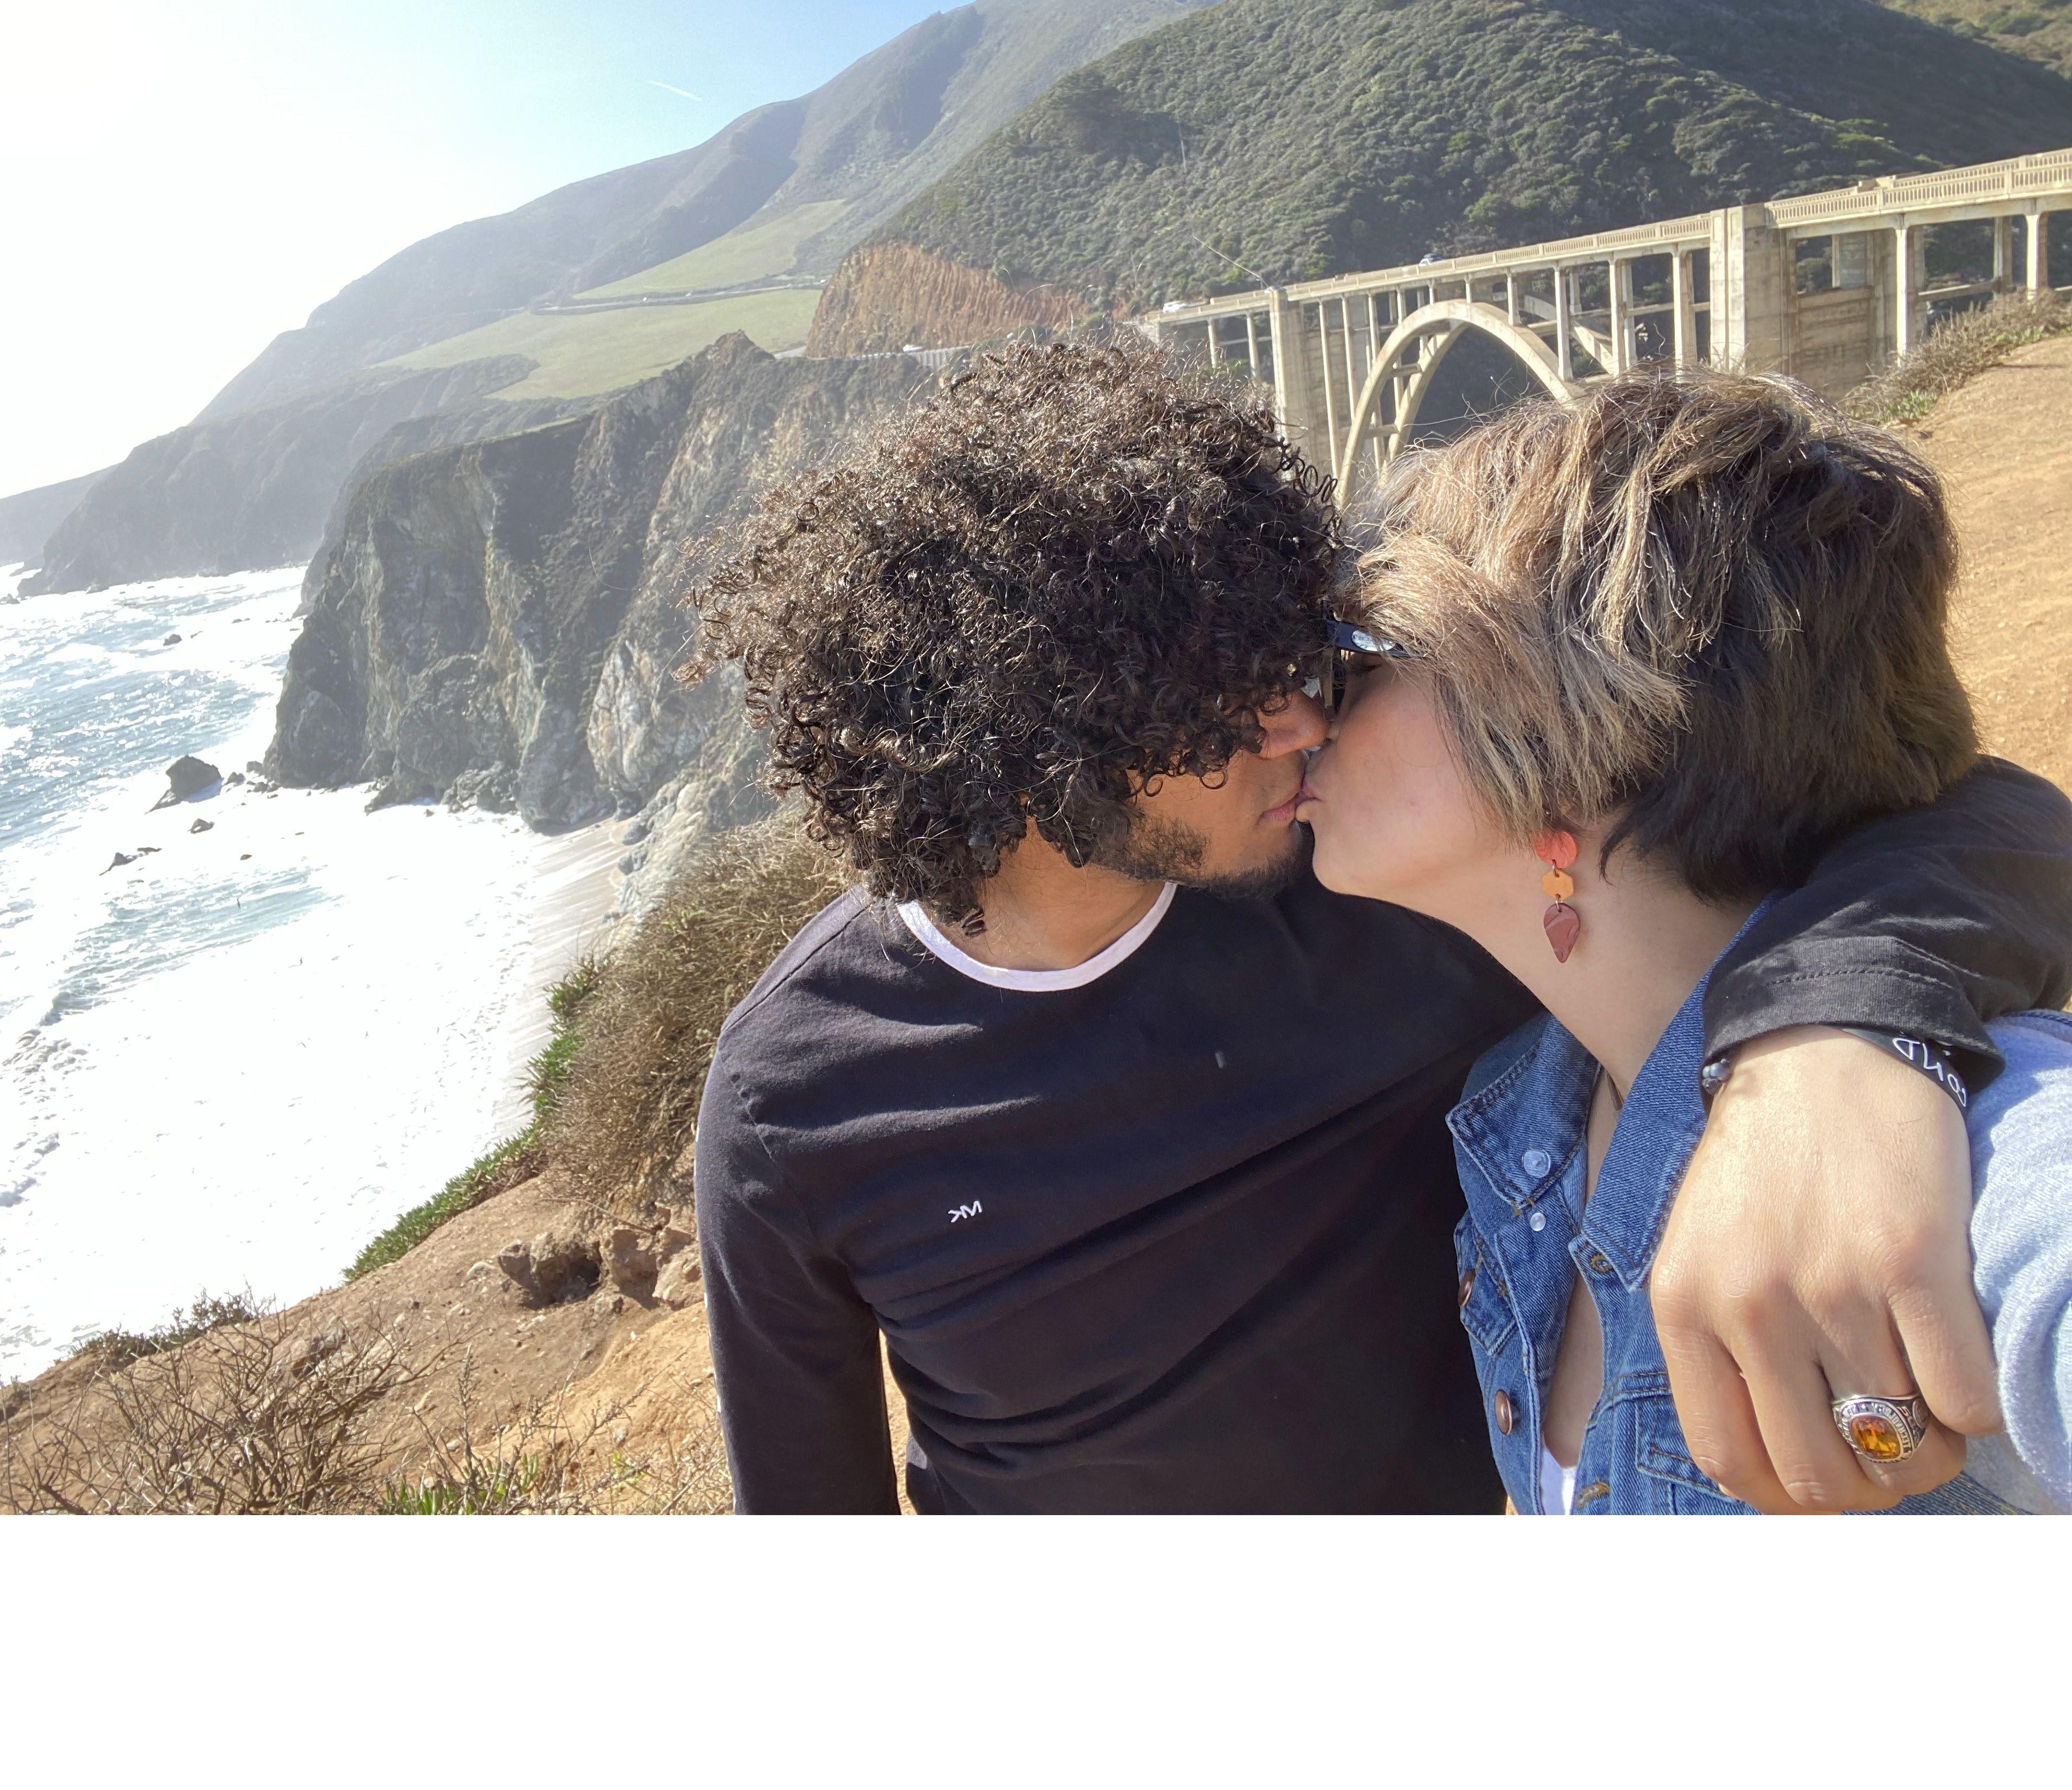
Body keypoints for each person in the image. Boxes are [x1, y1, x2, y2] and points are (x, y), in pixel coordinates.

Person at [686, 340, 2072, 1514]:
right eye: (1201, 697)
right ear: (1031, 737)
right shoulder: (799, 1096)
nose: (1301, 717)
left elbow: (1915, 800)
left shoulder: (1374, 889)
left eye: (1312, 660)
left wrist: (1824, 1039)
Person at [1304, 366, 2072, 1512]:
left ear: (1562, 730)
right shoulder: (1526, 1124)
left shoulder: (1949, 1151)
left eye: (1357, 661)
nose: (1302, 714)